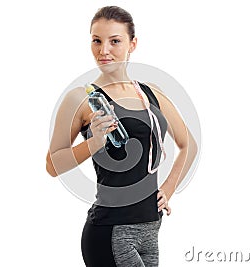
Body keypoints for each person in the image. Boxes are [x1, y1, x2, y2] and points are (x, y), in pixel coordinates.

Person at [46, 6, 197, 267]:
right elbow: (52, 165)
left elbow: (188, 145)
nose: (104, 50)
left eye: (115, 41)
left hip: (151, 229)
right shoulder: (80, 99)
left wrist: (169, 188)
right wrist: (92, 144)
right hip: (110, 231)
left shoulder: (152, 93)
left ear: (132, 44)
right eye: (97, 40)